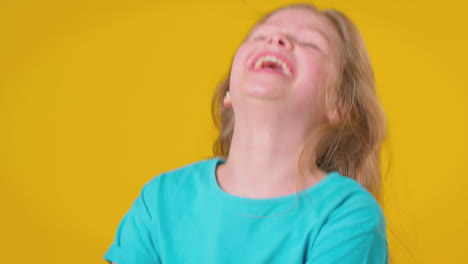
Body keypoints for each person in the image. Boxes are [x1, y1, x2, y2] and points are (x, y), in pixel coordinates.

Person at [104, 3, 389, 264]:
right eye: (260, 36)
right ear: (229, 91)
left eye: (309, 43)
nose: (276, 40)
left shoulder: (347, 214)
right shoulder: (160, 199)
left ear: (339, 103)